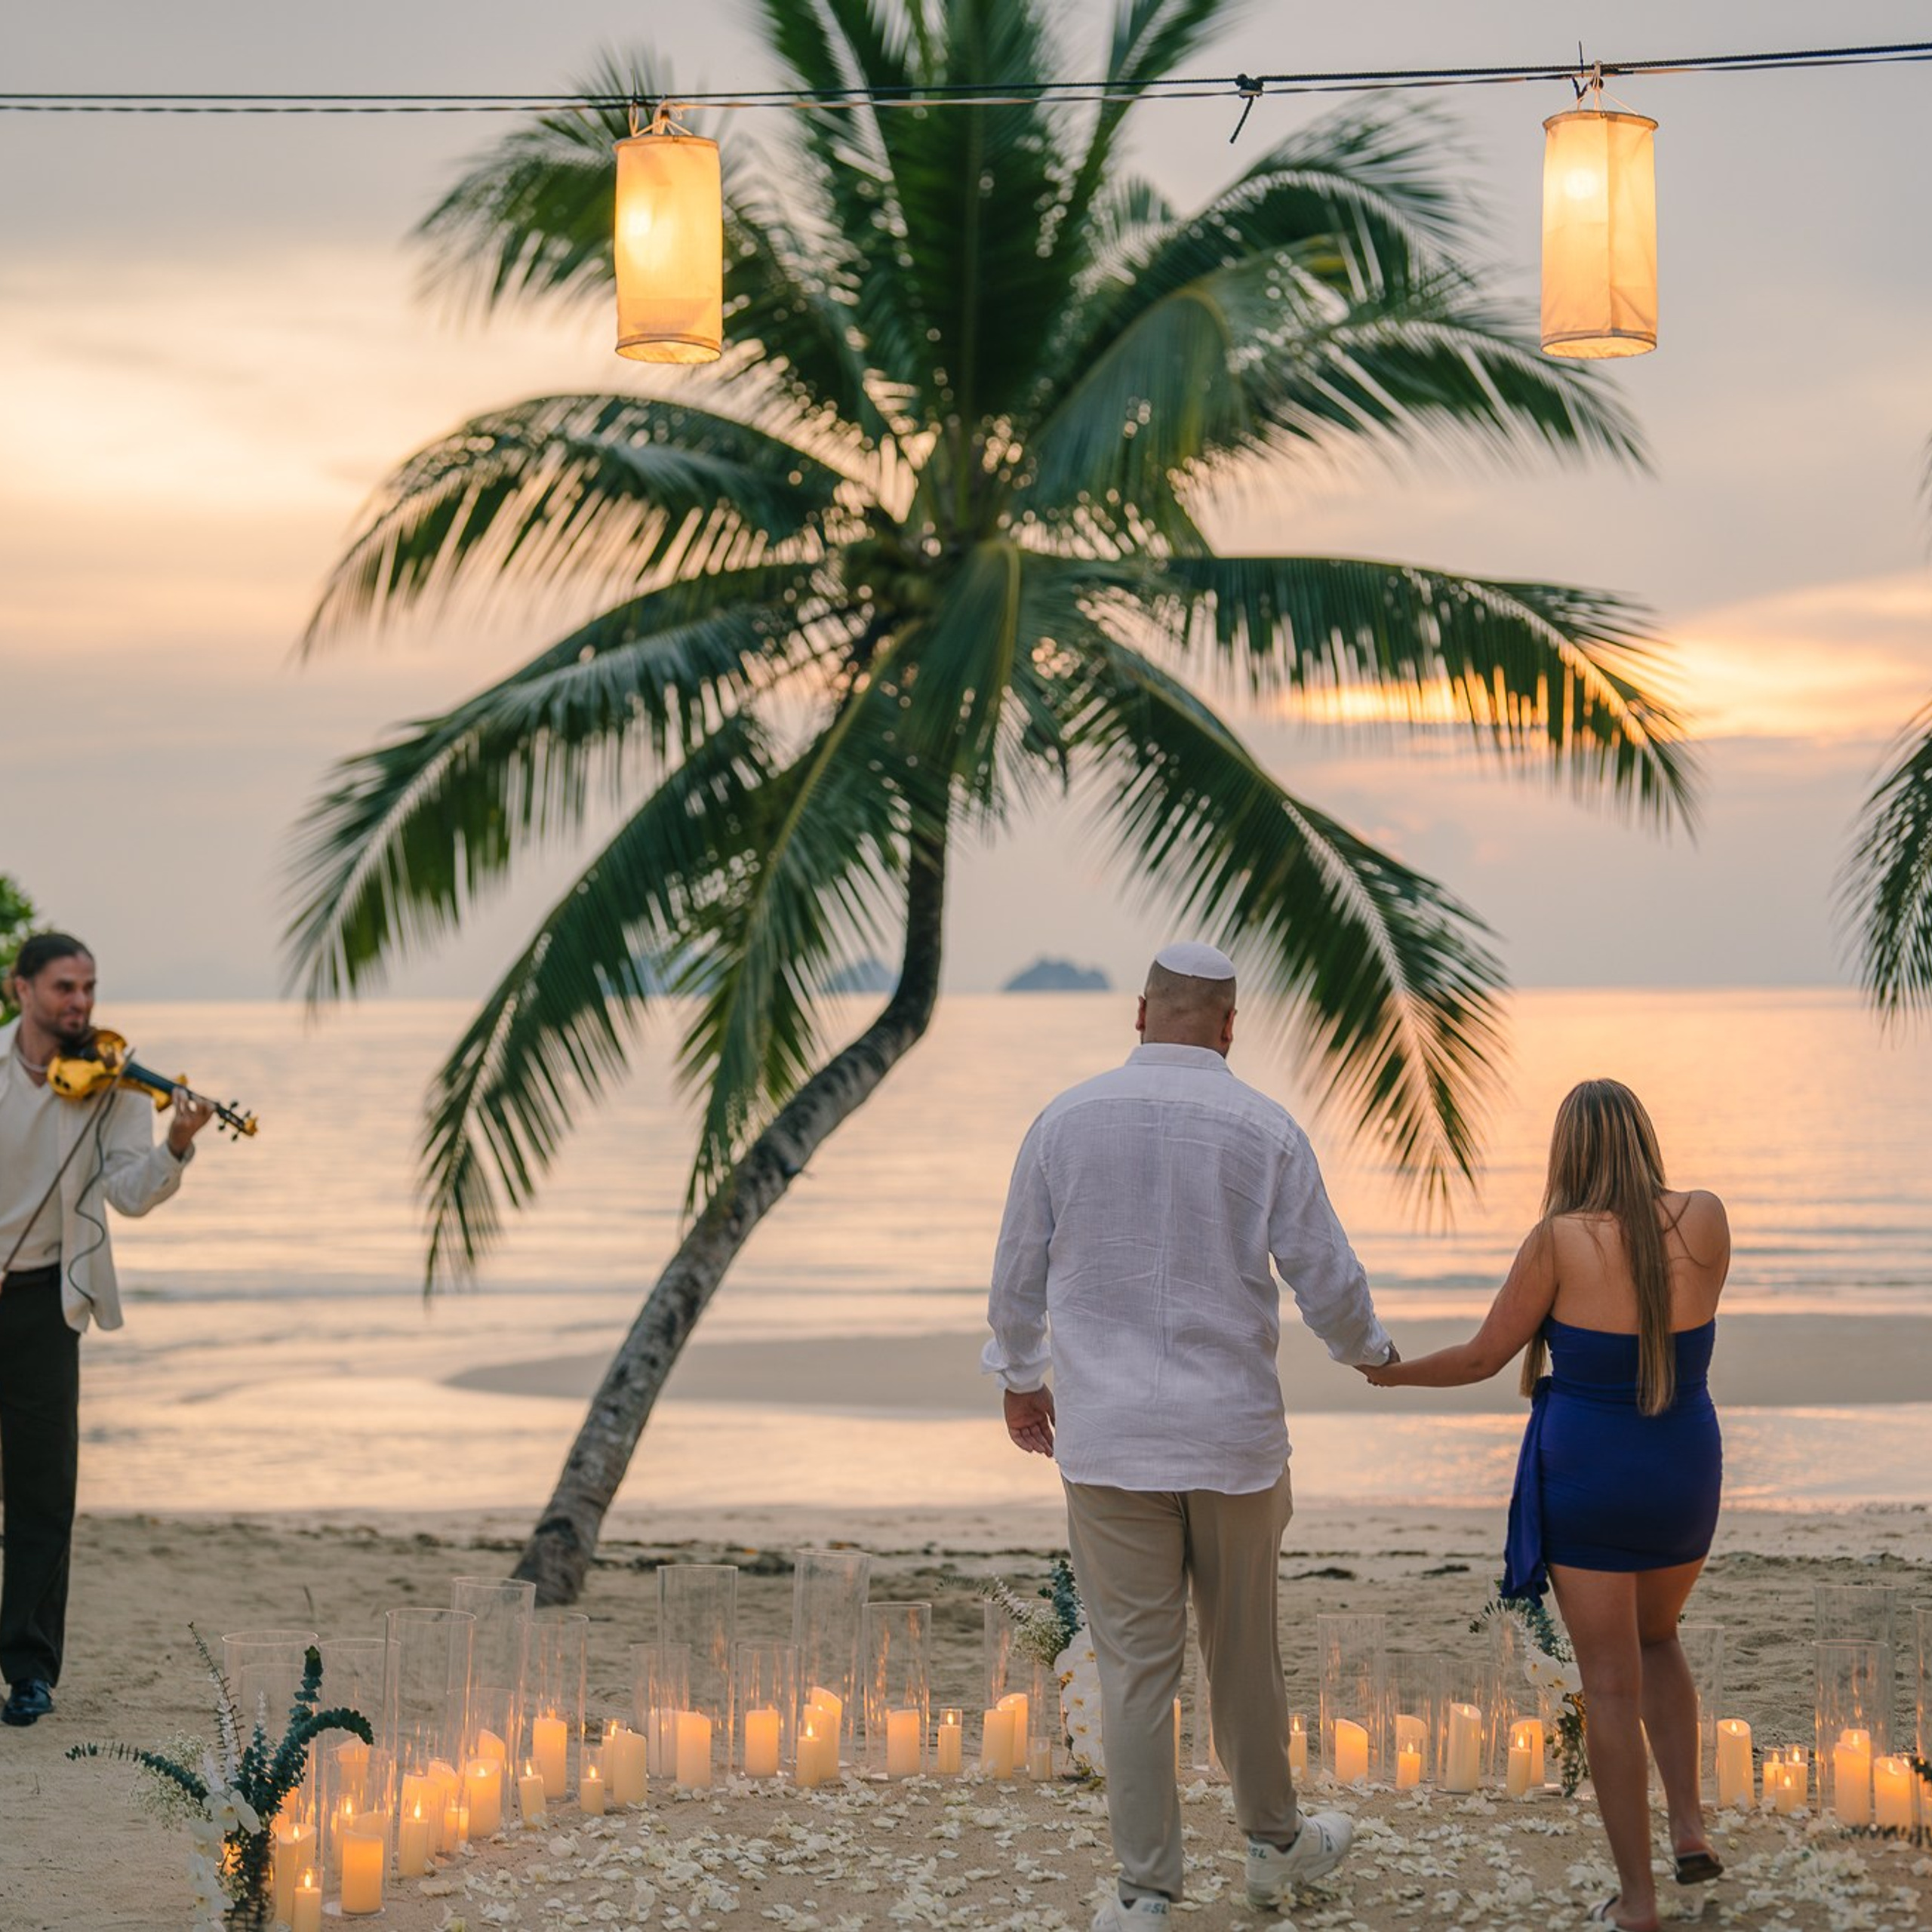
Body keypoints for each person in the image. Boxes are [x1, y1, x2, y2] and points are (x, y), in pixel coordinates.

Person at [983, 941, 1399, 1929]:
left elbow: (1016, 1275)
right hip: (1234, 1444)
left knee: (1135, 1668)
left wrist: (1018, 1379)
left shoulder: (1063, 1122)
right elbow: (1326, 1277)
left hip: (1112, 1441)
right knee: (1244, 1653)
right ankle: (1274, 1846)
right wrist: (1369, 1351)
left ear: (1139, 1015)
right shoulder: (1265, 1127)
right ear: (1227, 1026)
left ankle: (1146, 1896)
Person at [1361, 1078, 1729, 1932]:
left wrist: (1391, 1369)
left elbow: (1485, 1356)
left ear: (1568, 1151)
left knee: (1608, 1684)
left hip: (1593, 1474)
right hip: (1682, 1467)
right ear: (1642, 1134)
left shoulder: (1555, 1241)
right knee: (1658, 1633)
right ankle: (1688, 1826)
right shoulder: (1706, 1216)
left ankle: (1636, 1903)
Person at [0, 933, 214, 1727]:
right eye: (64, 987)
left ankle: (28, 1668)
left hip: (47, 1301)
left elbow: (127, 1193)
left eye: (88, 987)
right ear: (20, 989)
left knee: (42, 1493)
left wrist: (177, 1145)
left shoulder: (117, 1084)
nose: (80, 1003)